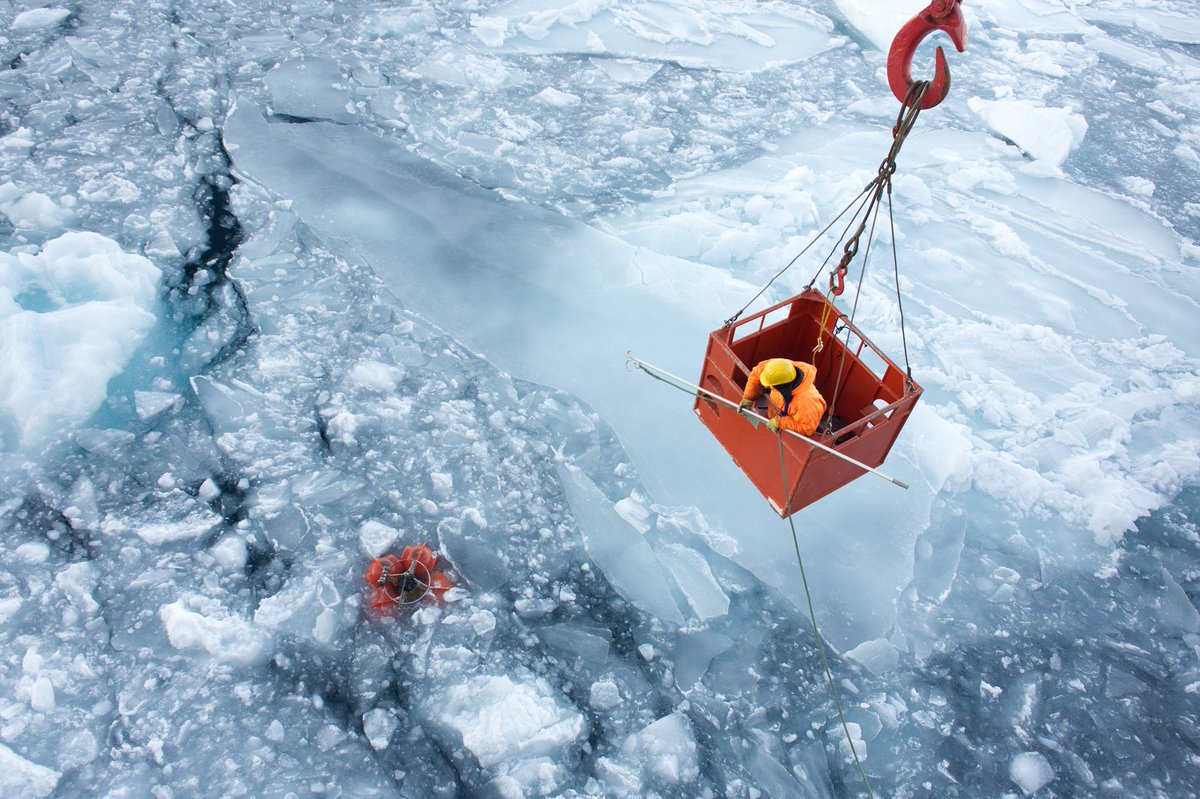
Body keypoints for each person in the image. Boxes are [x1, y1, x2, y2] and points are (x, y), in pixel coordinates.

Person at [738, 357, 826, 436]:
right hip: (774, 411)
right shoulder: (776, 368)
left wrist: (779, 423)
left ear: (782, 388)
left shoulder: (805, 403)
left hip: (800, 418)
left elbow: (807, 428)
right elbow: (756, 375)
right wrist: (748, 398)